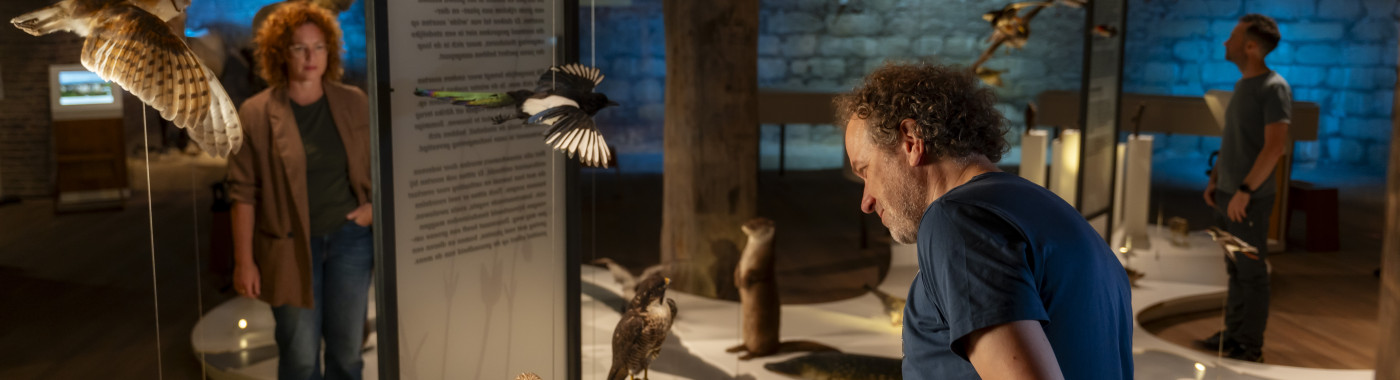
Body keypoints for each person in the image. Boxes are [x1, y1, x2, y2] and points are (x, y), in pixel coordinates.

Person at [837, 63, 1133, 379]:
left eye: (865, 170)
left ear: (910, 141)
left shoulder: (956, 220)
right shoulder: (1052, 212)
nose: (866, 202)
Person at [226, 3, 374, 379]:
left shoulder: (353, 102)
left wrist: (373, 209)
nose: (311, 57)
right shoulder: (256, 113)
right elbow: (243, 193)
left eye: (319, 47)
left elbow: (378, 167)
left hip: (349, 242)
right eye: (299, 47)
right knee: (300, 359)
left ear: (330, 51)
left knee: (347, 355)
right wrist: (244, 262)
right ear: (280, 52)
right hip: (289, 245)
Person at [1199, 13, 1290, 363]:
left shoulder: (1274, 88)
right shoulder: (1242, 86)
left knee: (1252, 272)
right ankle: (1234, 333)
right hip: (1229, 194)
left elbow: (1274, 147)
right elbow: (1233, 138)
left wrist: (1245, 191)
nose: (1226, 42)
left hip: (1246, 200)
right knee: (1235, 267)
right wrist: (1217, 178)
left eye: (1233, 37)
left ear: (1251, 46)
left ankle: (1249, 346)